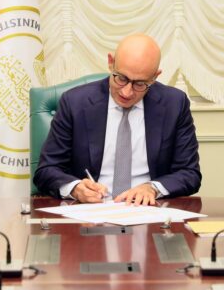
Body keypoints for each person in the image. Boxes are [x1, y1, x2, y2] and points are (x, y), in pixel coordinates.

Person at [33, 33, 201, 205]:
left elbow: (190, 173)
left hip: (148, 210)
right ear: (111, 62)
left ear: (154, 77)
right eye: (121, 78)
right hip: (91, 211)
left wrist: (153, 188)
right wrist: (76, 188)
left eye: (140, 84)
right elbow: (46, 171)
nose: (126, 92)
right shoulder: (75, 103)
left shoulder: (175, 104)